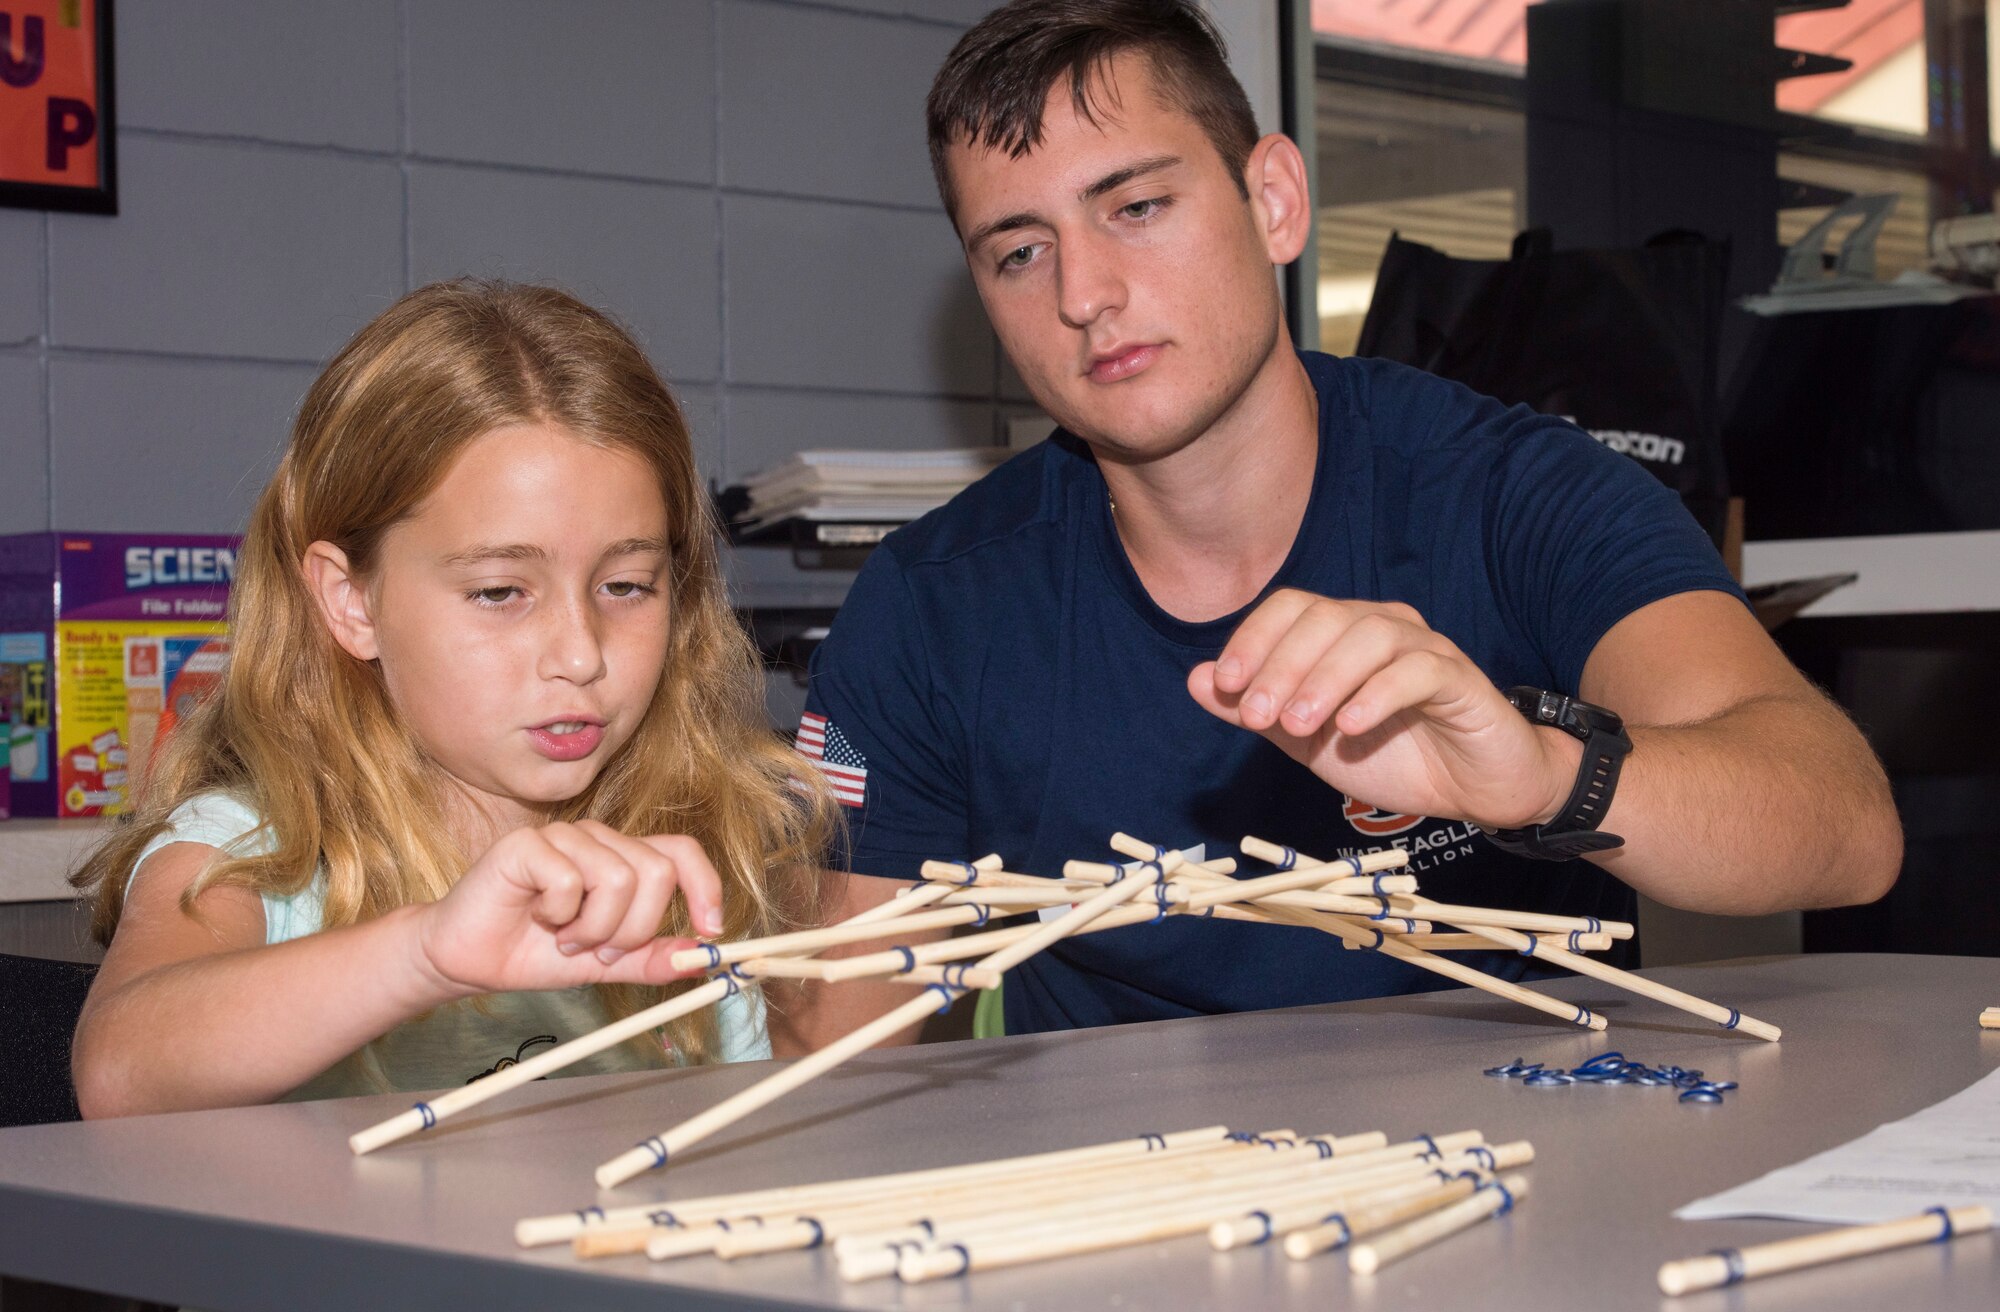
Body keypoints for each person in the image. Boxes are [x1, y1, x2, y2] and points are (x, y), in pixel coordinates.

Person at [782, 0, 1901, 1042]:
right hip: (1128, 1213)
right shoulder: (930, 605)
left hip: (1511, 1169)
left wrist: (1540, 778)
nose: (1083, 292)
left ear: (1272, 201)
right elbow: (834, 1045)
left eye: (1136, 207)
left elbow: (1843, 827)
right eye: (1018, 252)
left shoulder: (1511, 493)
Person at [70, 281, 836, 1116]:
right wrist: (426, 955)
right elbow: (118, 1070)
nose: (580, 654)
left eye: (626, 584)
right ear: (350, 601)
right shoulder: (257, 854)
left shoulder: (693, 846)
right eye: (502, 591)